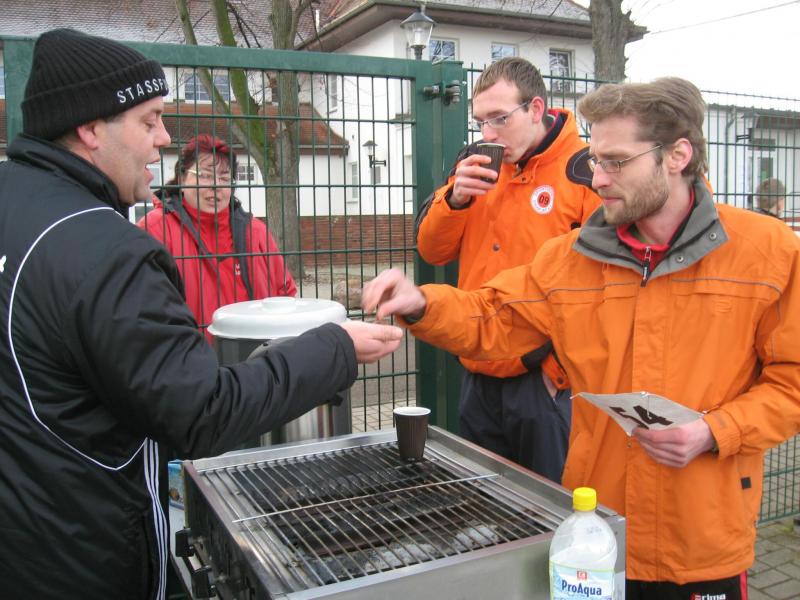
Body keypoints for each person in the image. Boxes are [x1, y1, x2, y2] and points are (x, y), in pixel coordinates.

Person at [0, 28, 402, 599]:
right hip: (86, 556)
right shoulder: (109, 247)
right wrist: (335, 346)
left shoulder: (15, 201)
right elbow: (200, 411)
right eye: (149, 121)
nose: (163, 138)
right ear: (89, 128)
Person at [363, 77, 800, 598]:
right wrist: (422, 302)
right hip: (595, 534)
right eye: (595, 160)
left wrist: (715, 431)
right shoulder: (571, 257)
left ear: (677, 155)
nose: (598, 178)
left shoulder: (767, 252)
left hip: (702, 539)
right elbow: (494, 317)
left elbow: (792, 383)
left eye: (615, 162)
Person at [415, 57, 601, 481]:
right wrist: (455, 199)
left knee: (548, 502)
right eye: (480, 122)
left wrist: (559, 369)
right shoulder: (477, 165)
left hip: (544, 380)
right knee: (484, 498)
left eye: (499, 118)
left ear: (535, 109)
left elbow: (603, 284)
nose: (488, 134)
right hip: (478, 368)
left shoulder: (586, 171)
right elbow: (433, 252)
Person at [138, 134, 297, 343]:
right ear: (182, 178)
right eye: (205, 175)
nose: (216, 186)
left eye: (224, 178)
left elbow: (285, 295)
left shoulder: (256, 232)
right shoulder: (155, 230)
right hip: (188, 357)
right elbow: (143, 310)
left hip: (258, 356)